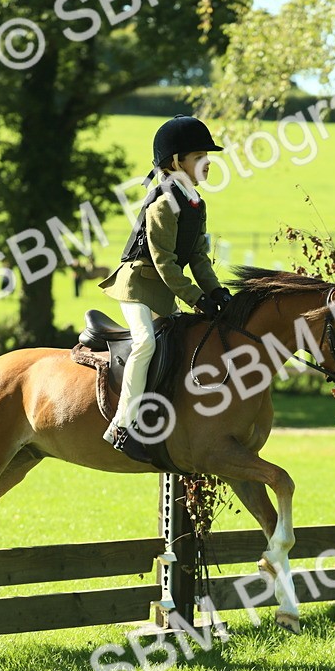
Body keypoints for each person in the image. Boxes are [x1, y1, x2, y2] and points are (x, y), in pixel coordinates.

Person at [98, 115, 229, 459]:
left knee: (184, 344)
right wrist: (196, 298)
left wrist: (216, 292)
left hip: (163, 289)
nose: (207, 162)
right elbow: (164, 262)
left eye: (206, 155)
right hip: (137, 285)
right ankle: (121, 425)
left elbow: (198, 257)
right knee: (145, 343)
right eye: (199, 156)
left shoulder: (195, 203)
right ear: (175, 162)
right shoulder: (163, 204)